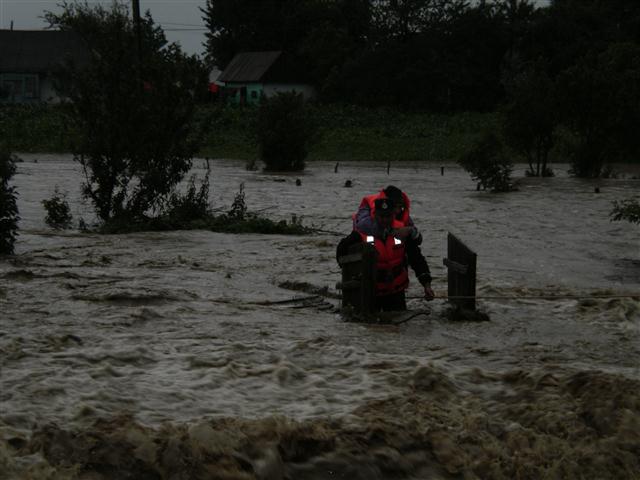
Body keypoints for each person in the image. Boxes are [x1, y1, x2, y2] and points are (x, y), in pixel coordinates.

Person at [338, 197, 434, 312]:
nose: (384, 220)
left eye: (388, 216)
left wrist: (426, 285)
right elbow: (341, 252)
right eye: (381, 216)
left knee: (397, 327)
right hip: (371, 293)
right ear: (375, 215)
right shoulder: (360, 234)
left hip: (396, 292)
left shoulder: (402, 233)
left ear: (393, 215)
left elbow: (417, 259)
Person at [353, 185, 422, 244]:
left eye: (400, 207)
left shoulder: (402, 211)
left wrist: (412, 231)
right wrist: (393, 231)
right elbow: (361, 225)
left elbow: (416, 234)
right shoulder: (368, 206)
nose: (398, 211)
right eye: (395, 206)